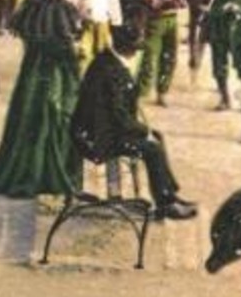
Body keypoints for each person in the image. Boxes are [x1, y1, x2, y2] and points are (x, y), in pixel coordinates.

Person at [72, 24, 198, 221]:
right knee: (152, 148)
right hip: (98, 138)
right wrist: (142, 130)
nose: (136, 53)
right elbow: (118, 116)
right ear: (127, 49)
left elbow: (118, 113)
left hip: (103, 129)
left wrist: (143, 130)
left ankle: (169, 197)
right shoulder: (110, 69)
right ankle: (167, 203)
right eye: (135, 49)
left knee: (156, 137)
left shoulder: (108, 61)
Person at [0, 0, 84, 198]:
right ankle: (44, 174)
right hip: (54, 71)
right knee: (53, 116)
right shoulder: (59, 6)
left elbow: (23, 29)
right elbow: (65, 45)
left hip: (31, 69)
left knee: (27, 117)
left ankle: (24, 168)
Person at [139, 0, 187, 105]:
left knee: (170, 57)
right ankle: (142, 93)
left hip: (172, 20)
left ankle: (162, 92)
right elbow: (153, 3)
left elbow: (182, 3)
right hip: (156, 21)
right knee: (150, 56)